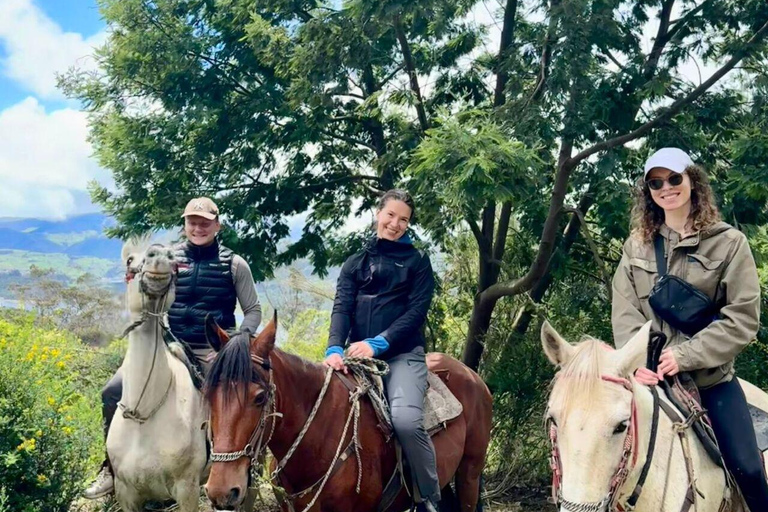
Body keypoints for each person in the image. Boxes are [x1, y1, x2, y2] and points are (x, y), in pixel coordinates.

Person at [612, 148, 768, 510]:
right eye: (655, 182)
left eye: (674, 179)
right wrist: (642, 363)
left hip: (710, 381)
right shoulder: (637, 245)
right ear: (647, 192)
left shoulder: (730, 243)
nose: (666, 188)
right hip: (651, 380)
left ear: (692, 180)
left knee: (747, 469)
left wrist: (684, 356)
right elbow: (626, 311)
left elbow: (742, 318)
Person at [84, 197, 262, 499]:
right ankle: (111, 469)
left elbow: (254, 310)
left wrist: (235, 345)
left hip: (213, 350)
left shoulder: (234, 264)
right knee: (112, 391)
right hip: (169, 344)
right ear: (185, 224)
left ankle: (242, 468)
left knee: (232, 400)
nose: (198, 227)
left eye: (205, 222)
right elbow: (148, 292)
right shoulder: (169, 258)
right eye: (192, 222)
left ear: (217, 225)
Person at [323, 189, 439, 512]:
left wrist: (379, 343)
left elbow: (416, 313)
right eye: (391, 215)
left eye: (404, 219)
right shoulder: (354, 263)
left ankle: (428, 497)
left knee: (405, 421)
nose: (396, 224)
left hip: (402, 356)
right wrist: (334, 348)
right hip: (356, 356)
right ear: (378, 214)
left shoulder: (418, 262)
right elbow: (342, 307)